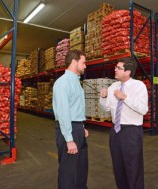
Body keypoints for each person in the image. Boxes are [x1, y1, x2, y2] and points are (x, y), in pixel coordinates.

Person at [99, 57, 148, 189]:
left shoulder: (139, 86)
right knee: (118, 167)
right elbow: (106, 108)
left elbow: (143, 109)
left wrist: (125, 97)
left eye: (118, 68)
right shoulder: (113, 86)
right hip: (115, 131)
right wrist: (103, 98)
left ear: (127, 72)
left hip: (131, 131)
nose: (115, 69)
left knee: (133, 167)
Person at [53, 50, 89, 189]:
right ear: (74, 62)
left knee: (81, 170)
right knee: (68, 172)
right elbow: (63, 112)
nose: (85, 66)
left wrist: (81, 127)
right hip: (68, 131)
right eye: (83, 63)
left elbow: (74, 108)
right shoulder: (63, 82)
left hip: (77, 129)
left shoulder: (75, 81)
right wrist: (69, 139)